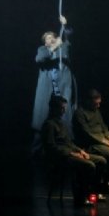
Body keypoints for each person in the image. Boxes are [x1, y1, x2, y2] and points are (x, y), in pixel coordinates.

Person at [41, 94, 107, 207]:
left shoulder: (60, 123)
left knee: (101, 160)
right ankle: (81, 197)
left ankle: (93, 191)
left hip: (70, 154)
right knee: (89, 165)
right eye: (61, 108)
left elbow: (69, 143)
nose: (63, 111)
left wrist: (81, 151)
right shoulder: (49, 125)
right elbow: (51, 147)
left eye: (64, 108)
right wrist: (72, 154)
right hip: (61, 158)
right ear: (54, 108)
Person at [31, 15, 76, 156]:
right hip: (48, 96)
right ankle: (37, 153)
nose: (49, 40)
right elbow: (39, 59)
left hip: (62, 93)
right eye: (46, 39)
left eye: (51, 37)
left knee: (64, 121)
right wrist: (53, 48)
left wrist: (65, 25)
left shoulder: (64, 48)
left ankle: (67, 151)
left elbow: (69, 34)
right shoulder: (43, 50)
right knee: (43, 123)